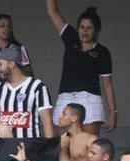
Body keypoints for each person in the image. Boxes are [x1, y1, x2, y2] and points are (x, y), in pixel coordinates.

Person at [44, 1, 115, 135]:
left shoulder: (103, 52)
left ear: (96, 30)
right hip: (65, 98)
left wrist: (113, 112)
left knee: (89, 147)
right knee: (63, 146)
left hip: (90, 99)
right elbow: (52, 11)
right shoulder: (71, 39)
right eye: (82, 27)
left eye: (89, 28)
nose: (85, 31)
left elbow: (108, 85)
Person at [0, 45, 54, 139]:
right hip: (4, 148)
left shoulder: (37, 86)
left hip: (30, 147)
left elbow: (47, 122)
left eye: (0, 64)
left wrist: (49, 148)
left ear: (12, 64)